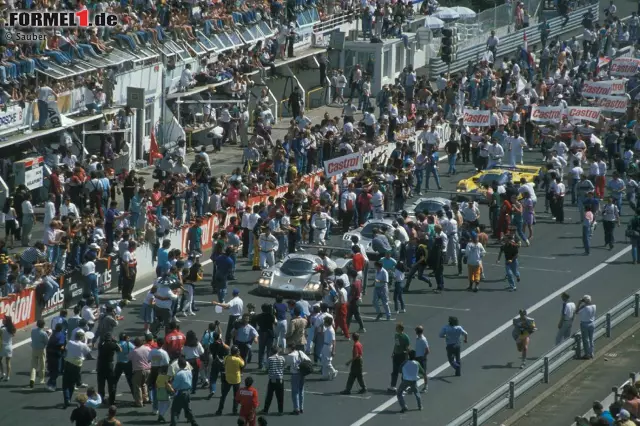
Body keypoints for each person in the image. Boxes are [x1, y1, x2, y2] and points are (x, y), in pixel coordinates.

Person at [63, 330, 92, 408]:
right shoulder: (83, 345)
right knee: (72, 383)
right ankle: (69, 398)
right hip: (77, 365)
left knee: (65, 384)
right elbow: (88, 354)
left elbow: (66, 349)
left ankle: (67, 400)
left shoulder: (70, 342)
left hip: (68, 363)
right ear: (82, 338)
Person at [169, 357, 199, 426]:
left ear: (179, 365)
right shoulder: (189, 372)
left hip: (180, 393)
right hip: (187, 392)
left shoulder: (179, 374)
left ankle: (173, 424)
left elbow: (174, 386)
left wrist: (171, 383)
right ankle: (194, 423)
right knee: (188, 409)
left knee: (175, 410)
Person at [216, 345, 245, 416]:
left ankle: (220, 410)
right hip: (236, 380)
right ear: (236, 352)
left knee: (223, 396)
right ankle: (234, 410)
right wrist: (239, 356)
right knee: (236, 396)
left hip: (228, 379)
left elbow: (223, 363)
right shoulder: (238, 359)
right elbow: (243, 364)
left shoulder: (227, 358)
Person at [260, 347, 285, 415]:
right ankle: (280, 411)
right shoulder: (282, 358)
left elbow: (267, 367)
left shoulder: (270, 359)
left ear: (271, 351)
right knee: (280, 396)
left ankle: (266, 410)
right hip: (280, 379)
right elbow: (283, 366)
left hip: (272, 379)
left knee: (269, 396)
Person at [388, 322, 410, 393]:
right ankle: (393, 385)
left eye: (397, 328)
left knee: (404, 372)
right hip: (396, 355)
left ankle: (404, 386)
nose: (395, 329)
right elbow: (396, 345)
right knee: (395, 371)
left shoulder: (405, 337)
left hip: (402, 356)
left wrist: (406, 358)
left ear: (400, 329)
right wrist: (393, 352)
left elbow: (407, 348)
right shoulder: (396, 335)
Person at [29, 319, 49, 388]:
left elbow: (32, 338)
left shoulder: (33, 331)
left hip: (34, 349)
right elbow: (46, 342)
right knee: (42, 365)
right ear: (43, 325)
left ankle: (32, 378)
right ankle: (41, 379)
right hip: (41, 350)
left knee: (33, 366)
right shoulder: (44, 333)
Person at [577, 295, 596, 359]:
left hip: (584, 324)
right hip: (592, 323)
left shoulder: (583, 308)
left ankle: (587, 354)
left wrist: (579, 303)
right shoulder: (594, 306)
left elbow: (576, 312)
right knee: (591, 339)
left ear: (584, 301)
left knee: (585, 340)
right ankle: (591, 353)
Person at [321, 316, 338, 380]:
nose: (324, 323)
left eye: (325, 322)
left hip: (328, 346)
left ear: (327, 323)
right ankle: (325, 376)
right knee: (323, 361)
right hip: (325, 346)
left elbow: (334, 341)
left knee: (327, 362)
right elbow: (323, 333)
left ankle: (334, 371)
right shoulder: (327, 329)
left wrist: (333, 350)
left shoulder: (331, 331)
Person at [0, 315, 16, 380]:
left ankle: (2, 373)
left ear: (6, 321)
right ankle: (8, 376)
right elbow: (13, 335)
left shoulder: (2, 329)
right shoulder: (12, 329)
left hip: (2, 347)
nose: (3, 320)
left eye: (4, 320)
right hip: (9, 347)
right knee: (8, 362)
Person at [414, 326, 429, 392]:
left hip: (421, 358)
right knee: (415, 372)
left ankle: (425, 386)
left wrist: (423, 357)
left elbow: (427, 350)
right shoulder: (417, 338)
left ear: (418, 332)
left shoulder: (423, 339)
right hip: (417, 357)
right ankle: (414, 386)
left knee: (423, 373)